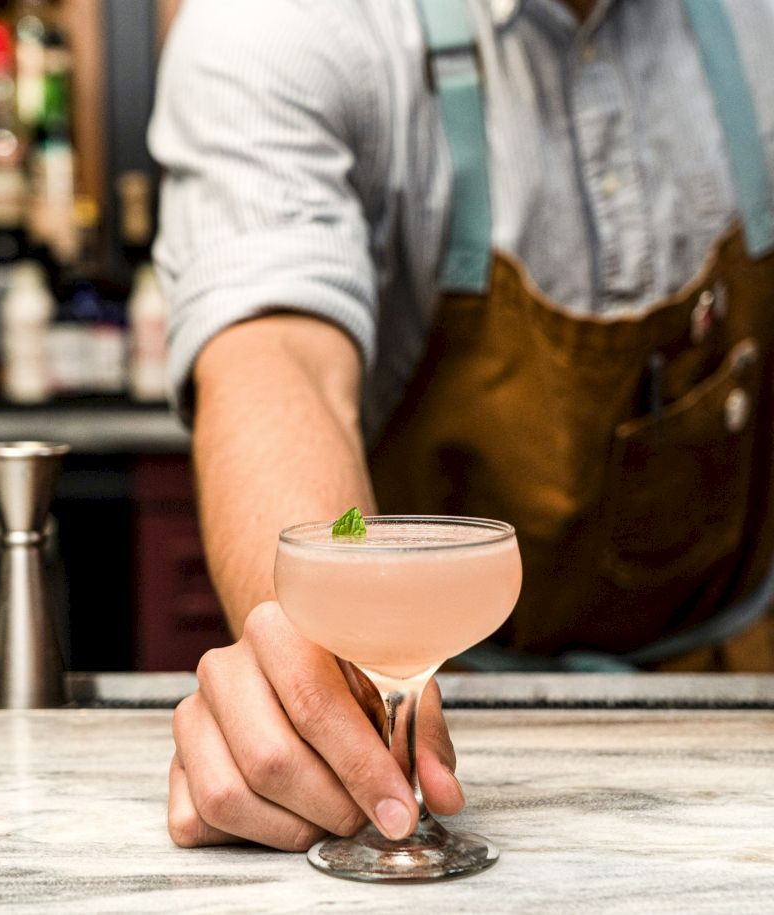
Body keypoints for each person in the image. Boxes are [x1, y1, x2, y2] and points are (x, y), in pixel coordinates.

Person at [148, 0, 774, 850]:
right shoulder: (278, 26)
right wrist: (326, 678)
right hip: (454, 732)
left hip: (742, 711)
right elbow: (281, 363)